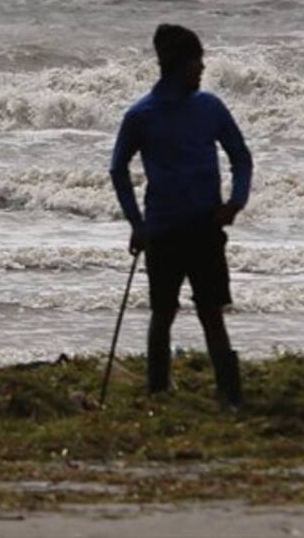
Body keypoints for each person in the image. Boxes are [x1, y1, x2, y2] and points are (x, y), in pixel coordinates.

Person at [109, 24, 253, 408]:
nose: (203, 68)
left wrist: (236, 200)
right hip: (163, 229)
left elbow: (241, 156)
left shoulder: (210, 107)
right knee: (163, 312)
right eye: (197, 61)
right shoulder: (142, 115)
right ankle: (158, 390)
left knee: (211, 312)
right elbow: (117, 169)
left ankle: (230, 396)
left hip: (205, 225)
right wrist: (136, 223)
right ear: (178, 65)